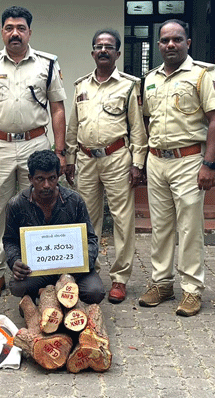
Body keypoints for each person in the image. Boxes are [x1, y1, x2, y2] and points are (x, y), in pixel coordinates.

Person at [0, 6, 67, 300]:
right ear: (2, 32)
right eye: (9, 28)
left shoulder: (47, 64)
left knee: (37, 207)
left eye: (21, 28)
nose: (15, 33)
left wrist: (59, 151)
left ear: (29, 32)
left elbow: (57, 109)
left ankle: (36, 272)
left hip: (35, 144)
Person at [138, 19, 215, 317]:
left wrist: (209, 164)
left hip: (189, 160)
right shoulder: (150, 78)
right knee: (160, 227)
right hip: (157, 160)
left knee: (189, 228)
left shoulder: (203, 75)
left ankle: (191, 289)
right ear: (159, 45)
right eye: (165, 40)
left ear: (188, 42)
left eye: (176, 39)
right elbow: (146, 118)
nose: (170, 45)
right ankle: (161, 283)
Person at [65, 29, 147, 304]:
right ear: (92, 53)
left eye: (109, 47)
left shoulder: (128, 85)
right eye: (98, 46)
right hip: (86, 159)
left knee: (122, 220)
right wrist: (70, 159)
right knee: (86, 220)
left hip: (117, 158)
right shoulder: (81, 86)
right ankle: (90, 272)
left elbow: (137, 127)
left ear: (117, 53)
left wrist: (137, 163)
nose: (103, 50)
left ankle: (120, 279)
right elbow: (73, 125)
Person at [4, 150, 105, 304]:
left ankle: (61, 297)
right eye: (40, 179)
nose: (46, 185)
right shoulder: (17, 204)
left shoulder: (74, 201)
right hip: (37, 270)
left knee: (95, 292)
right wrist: (15, 261)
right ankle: (41, 296)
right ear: (30, 178)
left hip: (72, 269)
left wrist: (83, 262)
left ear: (58, 176)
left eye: (51, 178)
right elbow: (9, 240)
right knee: (17, 286)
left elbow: (91, 238)